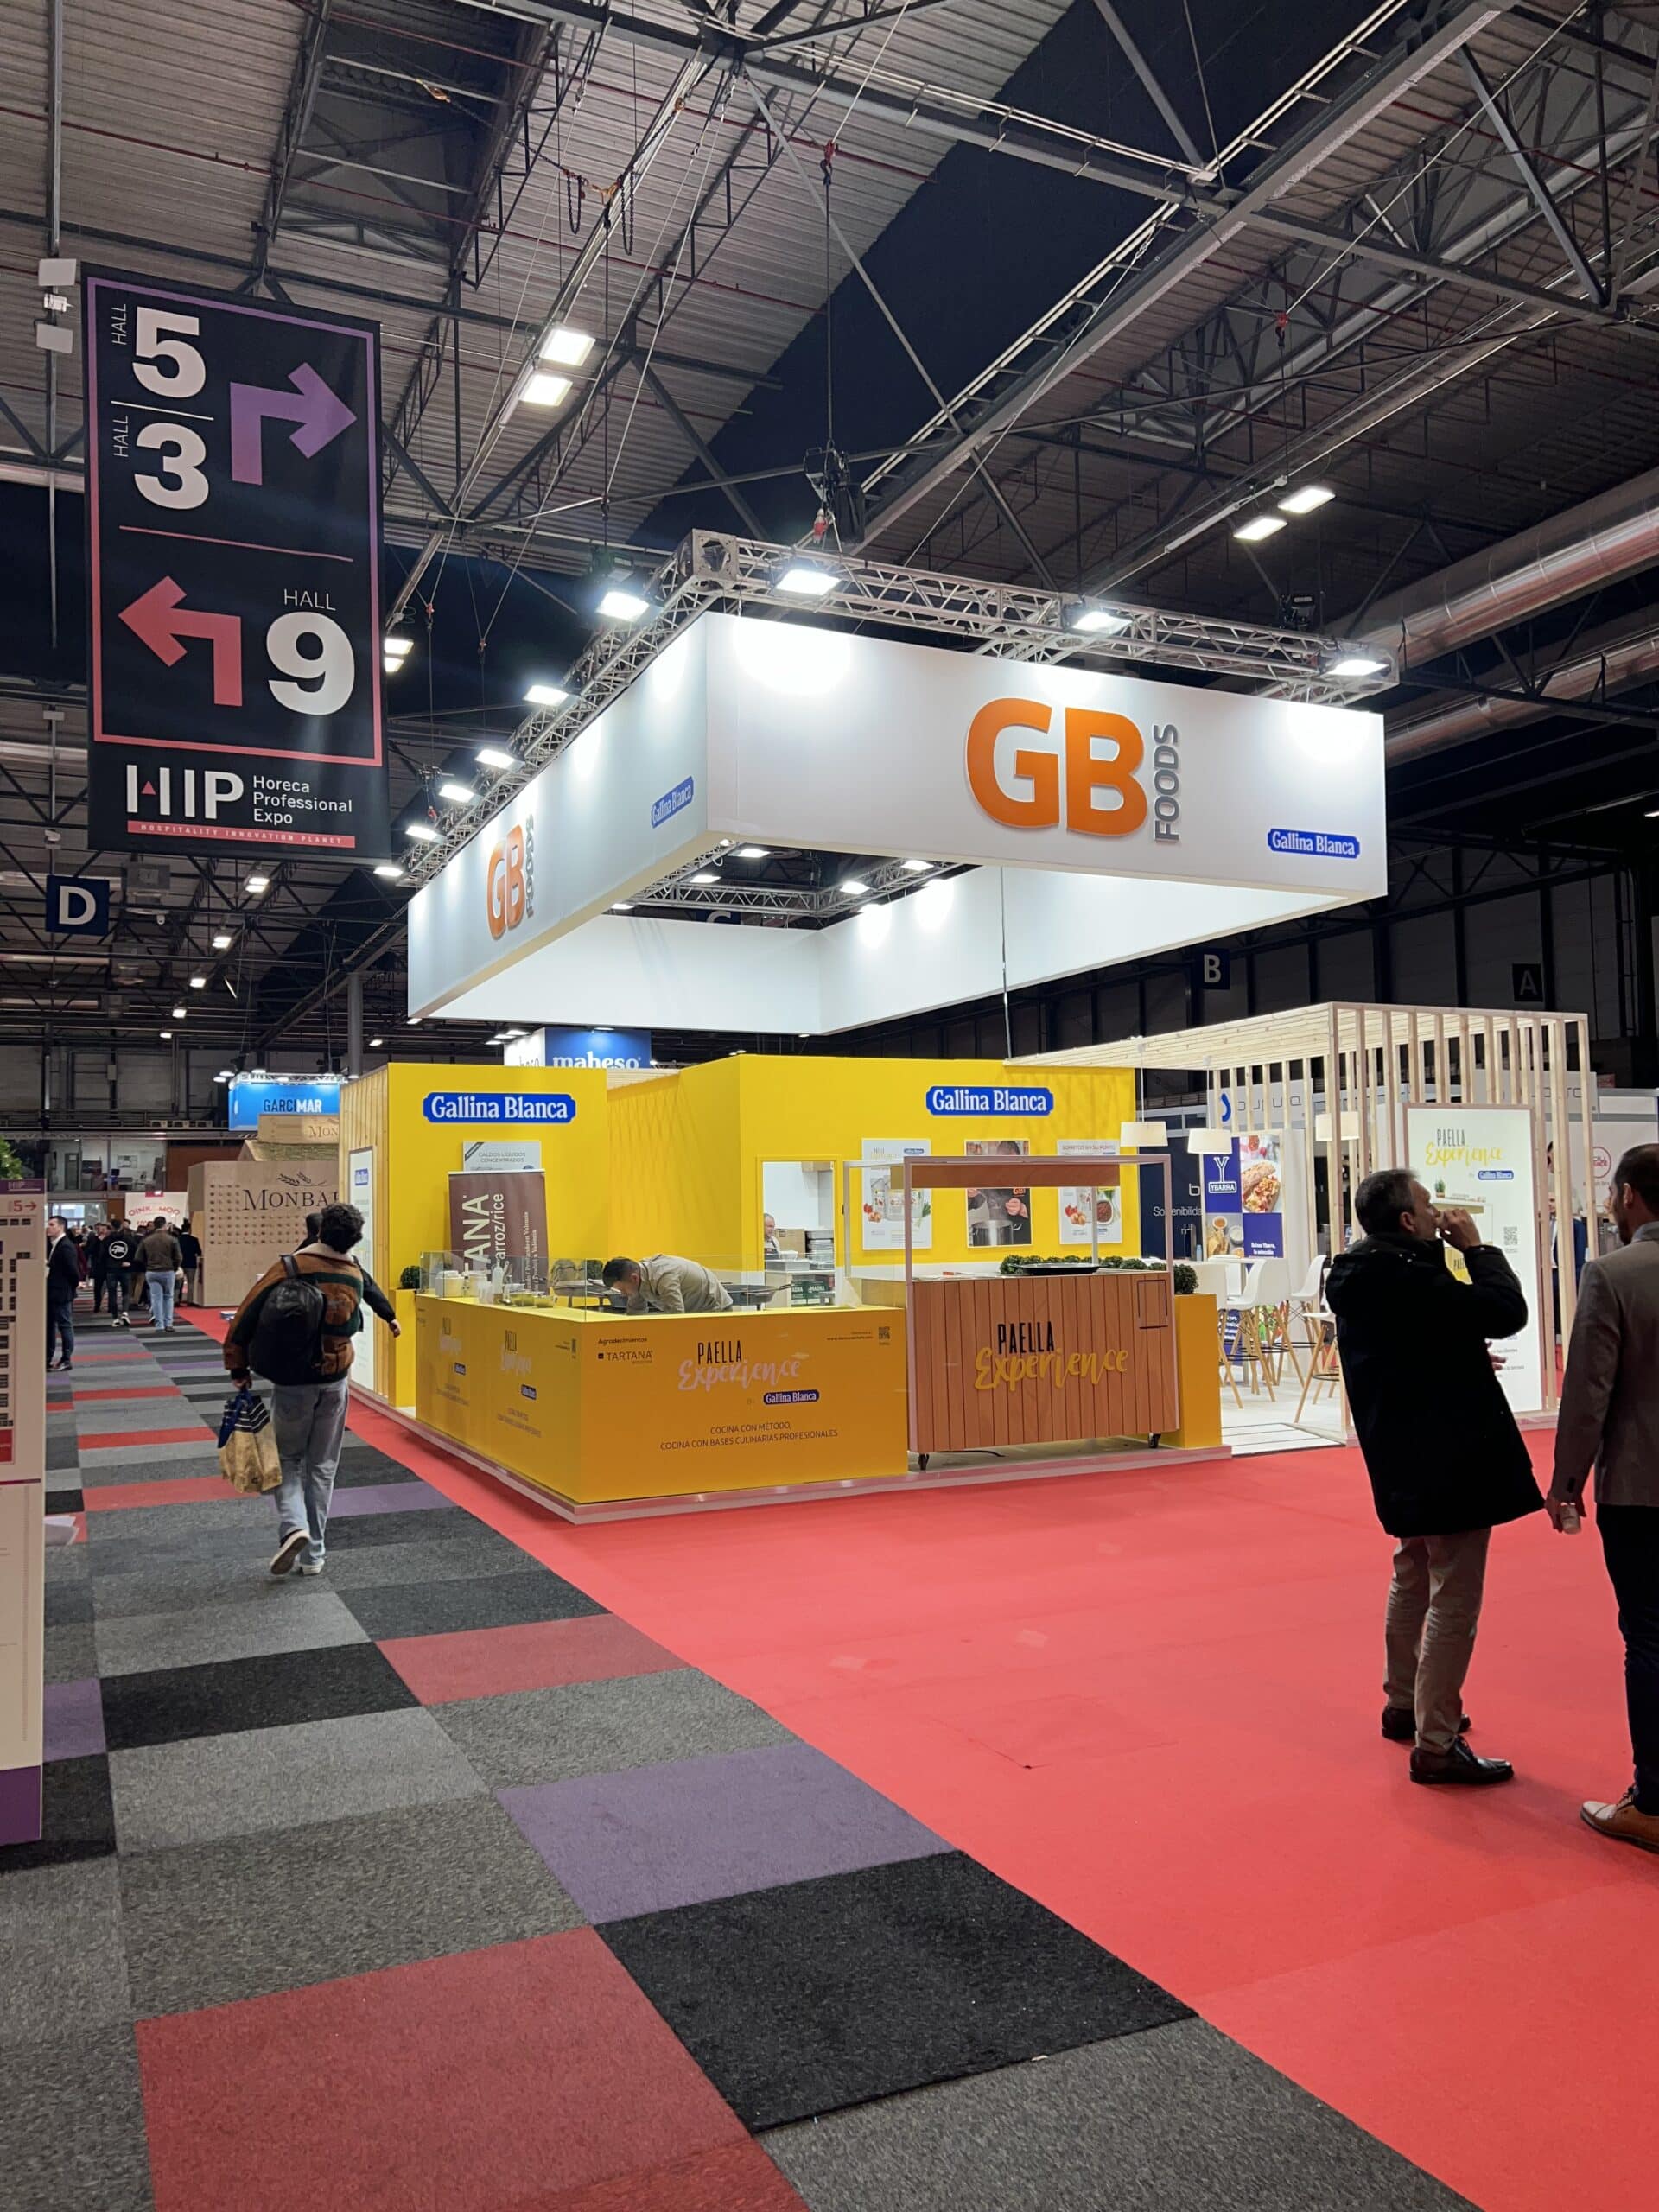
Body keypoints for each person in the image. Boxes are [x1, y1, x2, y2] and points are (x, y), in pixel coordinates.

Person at [1326, 1167, 1542, 1785]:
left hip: (1399, 1453)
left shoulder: (1360, 1274)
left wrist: (1459, 1356)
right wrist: (1477, 1248)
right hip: (1451, 1458)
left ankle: (1404, 1703)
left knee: (1413, 1569)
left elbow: (1405, 1348)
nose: (1435, 1211)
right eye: (1426, 1204)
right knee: (1455, 1592)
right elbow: (1506, 1311)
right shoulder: (1411, 1274)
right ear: (1407, 1220)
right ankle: (1438, 1741)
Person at [1548, 1142, 1659, 1853]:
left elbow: (1588, 1392)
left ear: (1628, 1197)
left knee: (1649, 1635)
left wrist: (1566, 1484)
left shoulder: (1613, 1274)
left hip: (1642, 1484)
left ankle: (1654, 1801)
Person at [224, 1200, 397, 1576]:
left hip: (292, 1380)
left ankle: (294, 1525)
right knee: (323, 1466)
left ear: (320, 1231)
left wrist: (238, 1366)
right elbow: (371, 1299)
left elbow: (246, 1315)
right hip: (335, 1380)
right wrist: (391, 1318)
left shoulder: (292, 1266)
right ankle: (314, 1555)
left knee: (287, 1458)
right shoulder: (354, 1272)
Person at [602, 1254, 733, 1315]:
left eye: (623, 1290)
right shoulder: (639, 1276)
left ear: (634, 1278)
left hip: (716, 1310)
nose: (624, 1294)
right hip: (695, 1311)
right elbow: (635, 1313)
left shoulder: (664, 1278)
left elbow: (676, 1319)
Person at [45, 1215, 79, 1372]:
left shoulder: (65, 1246)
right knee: (50, 1326)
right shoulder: (54, 1244)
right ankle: (48, 1358)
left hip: (62, 1292)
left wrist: (71, 1288)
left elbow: (73, 1272)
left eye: (52, 1224)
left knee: (65, 1325)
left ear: (61, 1227)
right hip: (53, 1291)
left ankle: (66, 1359)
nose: (48, 1227)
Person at [137, 1216, 183, 1332]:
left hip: (152, 1271)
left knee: (156, 1298)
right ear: (165, 1225)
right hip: (168, 1271)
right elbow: (178, 1257)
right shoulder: (172, 1239)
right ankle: (169, 1323)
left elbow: (138, 1257)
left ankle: (159, 1325)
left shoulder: (146, 1240)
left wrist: (148, 1266)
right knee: (168, 1297)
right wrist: (174, 1267)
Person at [103, 1218, 137, 1326]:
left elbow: (101, 1256)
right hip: (125, 1269)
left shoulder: (106, 1240)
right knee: (126, 1292)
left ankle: (115, 1318)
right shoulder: (129, 1239)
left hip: (111, 1270)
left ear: (111, 1227)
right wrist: (130, 1262)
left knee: (112, 1293)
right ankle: (125, 1312)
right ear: (122, 1226)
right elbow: (136, 1252)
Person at [176, 1217, 202, 1305]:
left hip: (180, 1265)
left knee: (178, 1283)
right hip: (191, 1264)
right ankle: (190, 1301)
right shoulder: (194, 1240)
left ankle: (176, 1300)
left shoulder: (177, 1240)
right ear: (189, 1229)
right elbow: (199, 1252)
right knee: (190, 1283)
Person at [86, 1222, 110, 1315]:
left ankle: (111, 1307)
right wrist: (98, 1241)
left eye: (104, 1229)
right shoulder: (93, 1239)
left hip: (109, 1267)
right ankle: (97, 1305)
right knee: (97, 1288)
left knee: (111, 1288)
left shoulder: (109, 1239)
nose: (102, 1231)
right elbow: (89, 1251)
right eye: (100, 1229)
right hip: (98, 1267)